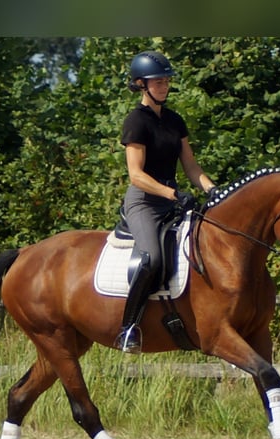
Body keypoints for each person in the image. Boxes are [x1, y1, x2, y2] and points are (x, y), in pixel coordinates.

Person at [115, 50, 217, 353]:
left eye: (166, 81)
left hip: (172, 200)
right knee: (152, 259)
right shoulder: (136, 121)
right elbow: (136, 175)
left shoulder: (175, 120)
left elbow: (192, 167)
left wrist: (214, 191)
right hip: (144, 202)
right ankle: (128, 327)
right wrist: (173, 193)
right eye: (158, 81)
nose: (164, 86)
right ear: (140, 84)